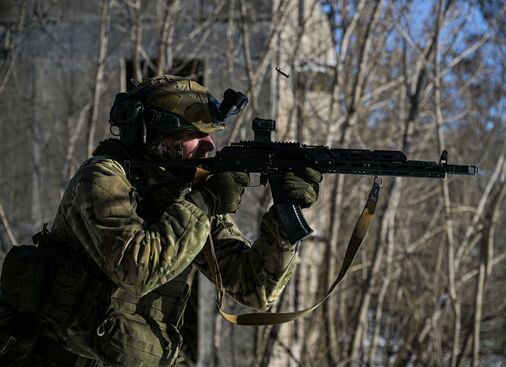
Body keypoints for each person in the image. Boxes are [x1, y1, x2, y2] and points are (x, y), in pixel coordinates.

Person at [0, 75, 322, 366]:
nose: (209, 145)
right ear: (159, 134)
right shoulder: (102, 178)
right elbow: (137, 267)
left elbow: (255, 287)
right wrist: (205, 202)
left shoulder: (185, 196)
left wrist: (282, 218)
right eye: (196, 135)